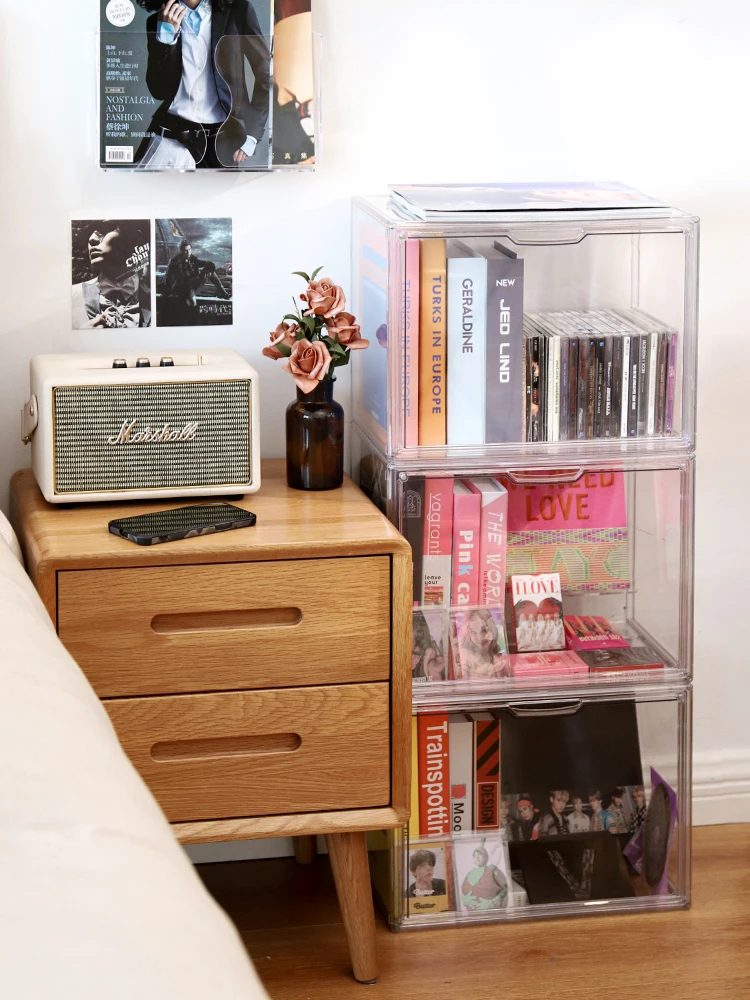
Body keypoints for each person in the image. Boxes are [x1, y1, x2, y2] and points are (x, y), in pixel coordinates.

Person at [135, 0, 271, 169]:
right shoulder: (158, 21)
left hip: (224, 142)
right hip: (171, 139)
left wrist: (253, 134)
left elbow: (266, 73)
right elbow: (159, 91)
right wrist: (167, 37)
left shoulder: (238, 10)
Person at [71, 221, 151, 329]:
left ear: (134, 238)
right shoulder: (71, 297)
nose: (92, 239)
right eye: (90, 231)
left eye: (106, 229)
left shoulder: (158, 303)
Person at [164, 238, 230, 309]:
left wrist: (209, 270)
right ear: (181, 251)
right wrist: (168, 292)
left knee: (209, 270)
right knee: (193, 305)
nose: (188, 252)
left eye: (189, 249)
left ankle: (222, 292)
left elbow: (206, 263)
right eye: (186, 250)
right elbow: (168, 278)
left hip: (195, 285)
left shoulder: (192, 258)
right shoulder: (174, 262)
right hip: (183, 288)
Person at [457, 609, 509, 679]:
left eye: (484, 630)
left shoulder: (499, 657)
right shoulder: (465, 655)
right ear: (468, 634)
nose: (480, 637)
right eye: (473, 632)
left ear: (492, 629)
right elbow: (461, 678)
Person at [460, 845, 507, 911]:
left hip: (490, 914)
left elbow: (505, 889)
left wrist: (492, 903)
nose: (477, 857)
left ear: (485, 857)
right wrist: (465, 900)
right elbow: (463, 892)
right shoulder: (469, 873)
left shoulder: (492, 870)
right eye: (474, 855)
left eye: (479, 855)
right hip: (471, 914)